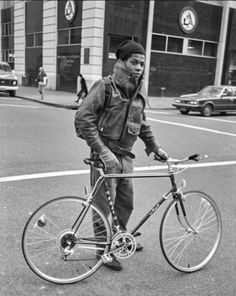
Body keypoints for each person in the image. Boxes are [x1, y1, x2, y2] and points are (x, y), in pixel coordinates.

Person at [74, 40, 168, 271]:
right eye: (134, 62)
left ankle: (121, 239)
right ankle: (102, 250)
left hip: (126, 156)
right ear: (121, 62)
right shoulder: (105, 86)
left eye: (142, 64)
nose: (138, 67)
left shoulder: (137, 91)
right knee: (103, 207)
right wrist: (103, 152)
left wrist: (155, 147)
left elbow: (141, 123)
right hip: (105, 155)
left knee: (126, 203)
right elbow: (82, 118)